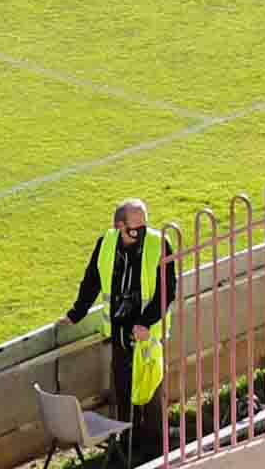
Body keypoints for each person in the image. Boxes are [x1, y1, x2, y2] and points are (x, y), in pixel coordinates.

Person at [62, 194, 177, 458]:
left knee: (150, 385)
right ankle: (126, 440)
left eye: (143, 226)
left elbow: (167, 289)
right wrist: (75, 314)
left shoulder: (159, 244)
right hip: (119, 331)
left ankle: (156, 443)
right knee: (122, 386)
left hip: (148, 333)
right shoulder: (106, 243)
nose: (140, 232)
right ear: (119, 226)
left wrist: (146, 322)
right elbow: (91, 280)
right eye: (134, 228)